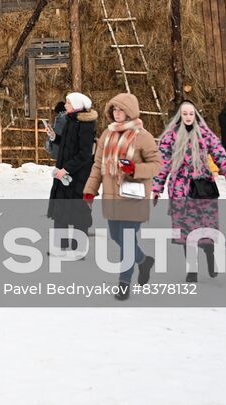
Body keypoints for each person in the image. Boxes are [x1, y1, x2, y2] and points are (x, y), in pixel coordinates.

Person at [152, 101, 226, 282]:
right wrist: (156, 188)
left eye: (191, 113)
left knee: (206, 230)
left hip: (203, 187)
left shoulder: (205, 134)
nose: (188, 117)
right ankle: (191, 269)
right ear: (179, 116)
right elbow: (163, 165)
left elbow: (221, 158)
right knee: (186, 232)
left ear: (195, 115)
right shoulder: (170, 137)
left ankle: (210, 255)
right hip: (180, 189)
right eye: (184, 113)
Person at [84, 92, 161, 300]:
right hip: (112, 197)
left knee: (126, 239)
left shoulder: (142, 136)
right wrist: (90, 190)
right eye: (114, 110)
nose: (117, 113)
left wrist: (135, 169)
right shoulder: (107, 135)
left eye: (121, 110)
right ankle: (143, 260)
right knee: (116, 236)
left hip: (134, 196)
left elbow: (157, 165)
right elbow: (98, 165)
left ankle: (124, 283)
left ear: (130, 112)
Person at [48, 92, 97, 254]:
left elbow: (84, 154)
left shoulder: (86, 125)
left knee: (78, 213)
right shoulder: (70, 120)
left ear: (76, 105)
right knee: (61, 211)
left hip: (78, 177)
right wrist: (55, 137)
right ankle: (59, 247)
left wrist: (66, 169)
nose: (65, 105)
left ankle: (79, 249)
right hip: (65, 174)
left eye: (68, 102)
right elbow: (67, 144)